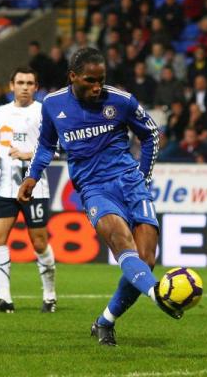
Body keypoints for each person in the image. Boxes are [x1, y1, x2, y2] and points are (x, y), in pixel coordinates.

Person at [20, 47, 186, 347]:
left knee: (146, 261)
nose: (97, 87)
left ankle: (104, 322)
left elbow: (150, 133)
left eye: (101, 80)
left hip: (132, 184)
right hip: (94, 189)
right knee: (123, 244)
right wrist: (32, 176)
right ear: (73, 77)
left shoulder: (121, 101)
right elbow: (46, 145)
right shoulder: (53, 104)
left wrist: (144, 177)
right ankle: (158, 295)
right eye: (90, 81)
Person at [0, 67, 57, 314]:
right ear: (11, 85)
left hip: (33, 185)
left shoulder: (44, 112)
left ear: (36, 87)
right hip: (4, 186)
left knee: (39, 242)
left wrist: (28, 154)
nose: (25, 87)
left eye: (30, 83)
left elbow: (56, 149)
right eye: (20, 82)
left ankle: (50, 294)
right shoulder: (0, 112)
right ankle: (5, 299)